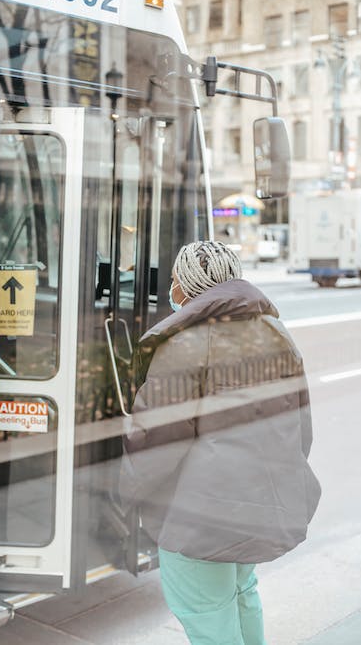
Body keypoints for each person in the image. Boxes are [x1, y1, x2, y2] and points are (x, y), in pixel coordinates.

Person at [120, 240, 321, 645]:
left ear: (189, 286)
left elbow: (157, 441)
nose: (172, 289)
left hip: (198, 518)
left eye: (175, 281)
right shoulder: (274, 331)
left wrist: (123, 494)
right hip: (254, 507)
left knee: (207, 615)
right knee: (242, 595)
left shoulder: (184, 343)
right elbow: (301, 427)